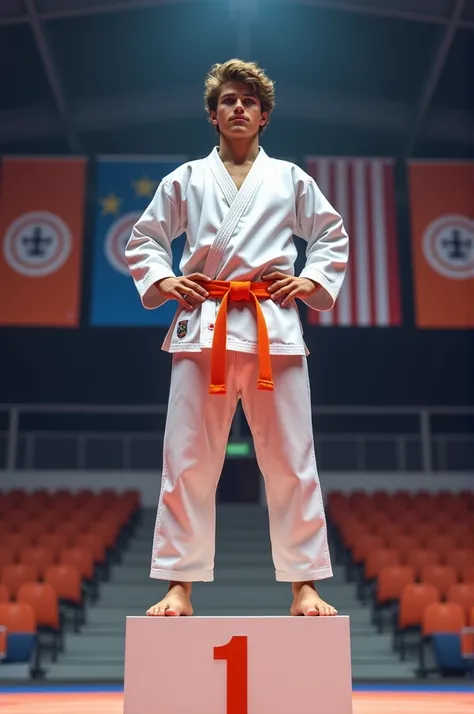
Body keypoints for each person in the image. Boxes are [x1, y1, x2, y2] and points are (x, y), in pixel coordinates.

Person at [125, 59, 349, 618]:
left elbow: (331, 235)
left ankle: (304, 586)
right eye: (229, 100)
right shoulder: (186, 179)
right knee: (188, 459)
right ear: (213, 114)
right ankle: (179, 585)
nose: (239, 108)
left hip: (274, 326)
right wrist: (165, 277)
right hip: (205, 326)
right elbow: (145, 239)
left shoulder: (291, 178)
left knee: (293, 460)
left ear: (265, 116)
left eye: (249, 101)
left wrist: (312, 279)